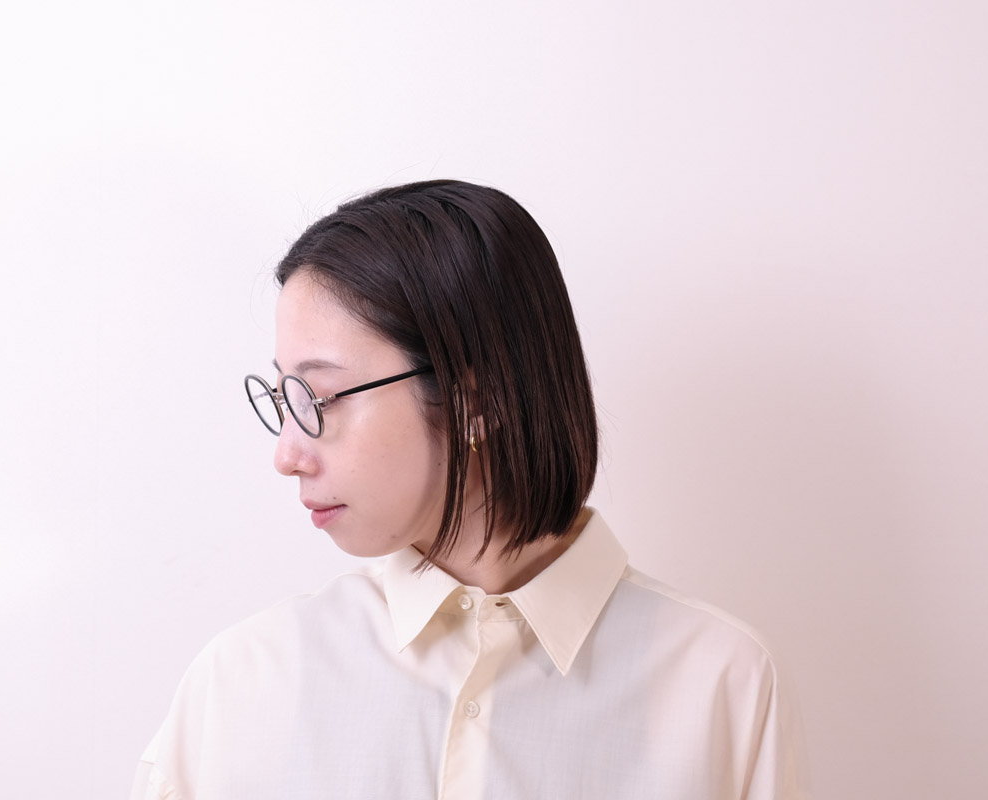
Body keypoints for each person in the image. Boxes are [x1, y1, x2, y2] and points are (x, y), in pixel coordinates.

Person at [131, 180, 810, 799]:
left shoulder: (720, 686)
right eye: (284, 398)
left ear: (473, 399)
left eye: (320, 397)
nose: (286, 455)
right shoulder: (244, 685)